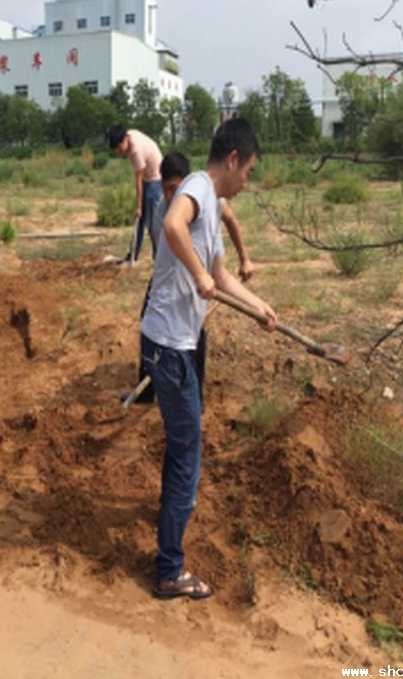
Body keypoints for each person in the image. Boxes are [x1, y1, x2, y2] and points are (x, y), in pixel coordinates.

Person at [141, 118, 278, 599]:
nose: (248, 181)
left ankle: (168, 542)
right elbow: (171, 224)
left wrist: (258, 307)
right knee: (187, 452)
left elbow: (221, 276)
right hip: (169, 345)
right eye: (249, 171)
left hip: (179, 342)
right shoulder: (197, 185)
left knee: (183, 447)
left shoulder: (215, 204)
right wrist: (196, 273)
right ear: (234, 159)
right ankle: (169, 569)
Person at [127, 151, 255, 404]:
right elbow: (166, 249)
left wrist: (244, 258)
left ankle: (194, 393)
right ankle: (147, 390)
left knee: (196, 333)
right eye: (164, 188)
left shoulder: (210, 199)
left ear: (186, 183)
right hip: (172, 277)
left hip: (200, 277)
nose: (168, 195)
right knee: (151, 326)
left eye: (174, 188)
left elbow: (230, 222)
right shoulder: (163, 210)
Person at [109, 124, 163, 262]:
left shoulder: (136, 150)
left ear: (124, 140)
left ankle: (159, 257)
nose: (119, 152)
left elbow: (138, 180)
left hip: (155, 179)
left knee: (152, 223)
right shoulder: (129, 136)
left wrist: (139, 207)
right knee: (139, 222)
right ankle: (133, 254)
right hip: (147, 177)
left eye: (119, 148)